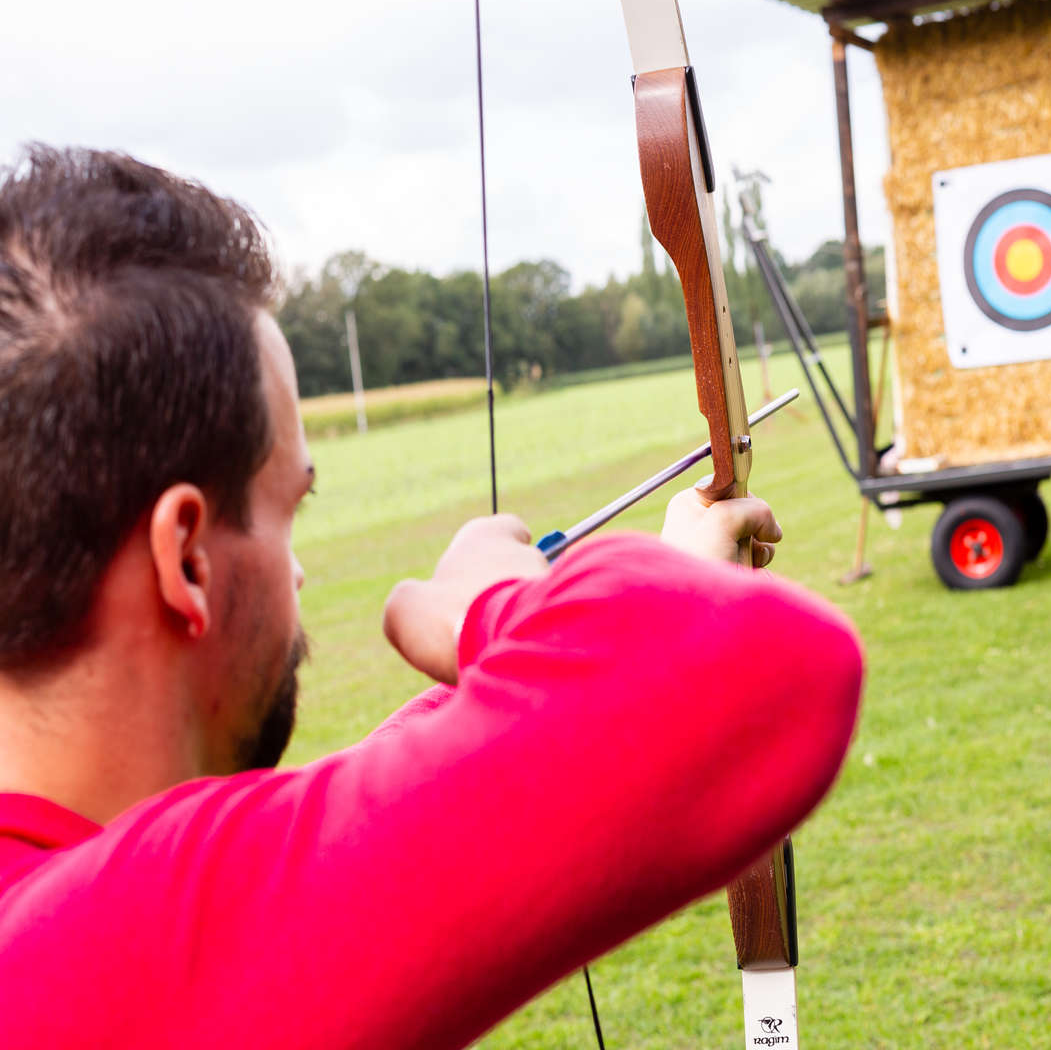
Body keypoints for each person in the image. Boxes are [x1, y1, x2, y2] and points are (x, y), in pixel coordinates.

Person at [0, 146, 864, 1047]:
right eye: (287, 507)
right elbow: (777, 672)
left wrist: (663, 579)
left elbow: (360, 831)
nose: (296, 574)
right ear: (184, 560)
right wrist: (487, 603)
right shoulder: (114, 942)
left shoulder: (79, 924)